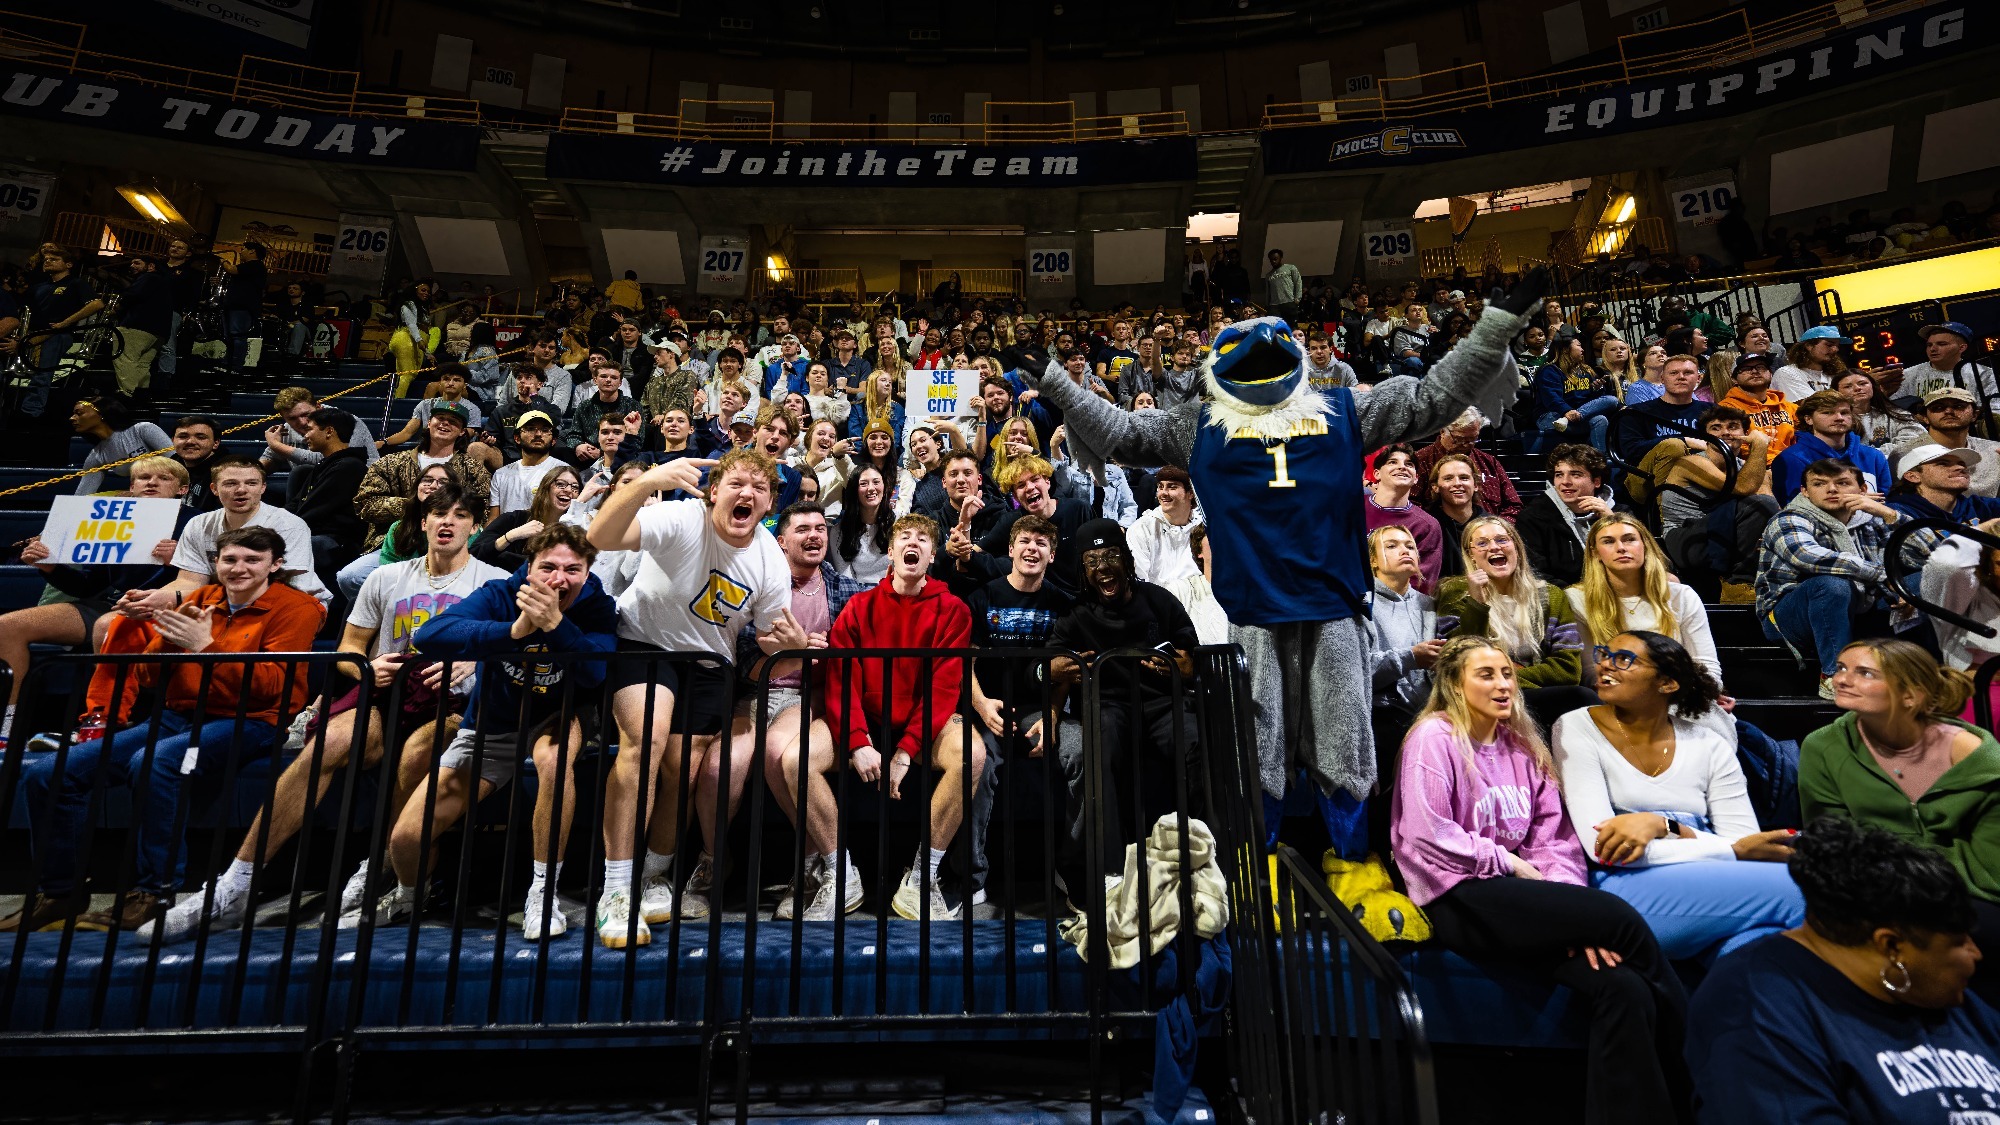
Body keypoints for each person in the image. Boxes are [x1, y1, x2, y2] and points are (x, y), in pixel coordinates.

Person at [1031, 274, 1549, 867]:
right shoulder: (1198, 422)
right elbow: (1119, 433)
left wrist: (1494, 328)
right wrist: (1055, 382)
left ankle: (1354, 869)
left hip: (1333, 609)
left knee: (1344, 751)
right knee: (1258, 753)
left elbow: (1433, 398)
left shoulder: (1345, 407)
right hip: (1254, 615)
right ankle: (1261, 870)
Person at [145, 491, 503, 941]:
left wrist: (477, 661)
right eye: (438, 513)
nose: (448, 521)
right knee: (327, 744)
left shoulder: (494, 581)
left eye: (460, 515)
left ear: (474, 526)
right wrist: (366, 668)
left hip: (456, 702)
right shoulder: (386, 576)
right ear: (424, 522)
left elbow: (512, 647)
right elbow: (349, 646)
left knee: (417, 752)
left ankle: (381, 865)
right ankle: (233, 884)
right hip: (388, 692)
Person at [1390, 636, 1690, 1125]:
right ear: (1454, 684)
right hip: (1456, 895)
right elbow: (1426, 834)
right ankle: (1699, 1081)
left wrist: (1565, 912)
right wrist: (1506, 864)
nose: (1503, 684)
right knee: (1618, 920)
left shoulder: (1521, 741)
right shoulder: (1435, 737)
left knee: (1623, 989)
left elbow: (1556, 837)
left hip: (1524, 897)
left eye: (1507, 673)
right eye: (1486, 675)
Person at [3, 528, 324, 933]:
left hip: (252, 721)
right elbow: (148, 677)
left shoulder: (298, 608)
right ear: (215, 563)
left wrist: (206, 646)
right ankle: (60, 893)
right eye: (230, 559)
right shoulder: (199, 599)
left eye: (252, 560)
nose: (239, 568)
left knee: (156, 762)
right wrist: (171, 644)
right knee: (47, 773)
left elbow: (270, 688)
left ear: (274, 565)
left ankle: (154, 892)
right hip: (177, 716)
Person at [366, 523, 617, 938]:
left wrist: (556, 626)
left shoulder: (597, 606)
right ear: (529, 568)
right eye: (548, 567)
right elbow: (431, 635)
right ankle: (415, 892)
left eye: (573, 570)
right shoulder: (501, 593)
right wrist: (513, 632)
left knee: (554, 762)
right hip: (493, 724)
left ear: (588, 573)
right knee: (407, 839)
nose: (558, 579)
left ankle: (543, 893)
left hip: (558, 717)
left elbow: (593, 673)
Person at [585, 450, 792, 945]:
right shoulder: (681, 517)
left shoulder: (770, 560)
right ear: (714, 491)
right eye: (737, 482)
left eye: (759, 488)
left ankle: (654, 874)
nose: (747, 493)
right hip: (644, 643)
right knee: (645, 743)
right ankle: (616, 891)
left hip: (709, 664)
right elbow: (600, 537)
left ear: (768, 504)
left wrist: (795, 645)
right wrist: (648, 480)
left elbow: (769, 639)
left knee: (682, 771)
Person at [1687, 816, 2000, 1125]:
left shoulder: (1944, 996)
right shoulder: (1753, 1009)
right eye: (1959, 942)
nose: (1975, 953)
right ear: (1891, 946)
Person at [1552, 631, 1804, 961]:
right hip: (1625, 884)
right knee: (1805, 888)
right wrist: (1723, 847)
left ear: (1667, 683)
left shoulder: (1708, 742)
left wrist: (1665, 826)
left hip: (1712, 879)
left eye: (1623, 660)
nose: (1603, 666)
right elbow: (1605, 850)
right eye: (1602, 654)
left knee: (1761, 951)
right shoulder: (1575, 726)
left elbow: (1743, 841)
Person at [1800, 639, 2000, 992]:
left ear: (1912, 695)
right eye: (1842, 668)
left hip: (1973, 896)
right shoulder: (1823, 746)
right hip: (1869, 891)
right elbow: (1831, 843)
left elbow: (1991, 869)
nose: (1842, 679)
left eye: (1864, 673)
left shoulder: (1976, 756)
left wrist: (1891, 857)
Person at [820, 514, 980, 920]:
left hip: (921, 726)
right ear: (890, 552)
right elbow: (841, 680)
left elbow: (944, 687)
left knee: (972, 756)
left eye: (924, 539)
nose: (914, 543)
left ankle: (921, 878)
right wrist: (857, 741)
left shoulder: (954, 611)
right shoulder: (858, 607)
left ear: (931, 554)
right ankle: (839, 875)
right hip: (866, 720)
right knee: (790, 758)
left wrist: (906, 751)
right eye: (904, 537)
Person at [733, 503, 870, 922]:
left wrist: (821, 657)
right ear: (781, 541)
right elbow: (746, 664)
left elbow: (857, 660)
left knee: (779, 753)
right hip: (759, 694)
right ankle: (814, 867)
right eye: (802, 530)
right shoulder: (760, 590)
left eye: (819, 529)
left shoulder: (848, 591)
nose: (814, 536)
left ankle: (817, 869)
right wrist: (797, 654)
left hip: (815, 696)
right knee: (742, 761)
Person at [1048, 519, 1198, 898]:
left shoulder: (1160, 600)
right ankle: (1111, 871)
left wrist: (1181, 666)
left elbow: (1192, 659)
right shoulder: (1075, 612)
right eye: (1093, 560)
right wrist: (1056, 667)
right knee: (1100, 743)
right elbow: (1049, 662)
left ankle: (1199, 856)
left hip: (1163, 703)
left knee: (1194, 739)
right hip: (1108, 705)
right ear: (1083, 570)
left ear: (1127, 560)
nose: (1103, 567)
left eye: (1111, 555)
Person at [2, 457, 189, 754]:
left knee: (111, 625)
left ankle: (107, 723)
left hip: (162, 608)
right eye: (144, 478)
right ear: (131, 487)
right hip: (107, 603)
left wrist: (180, 560)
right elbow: (88, 585)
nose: (151, 483)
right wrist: (50, 567)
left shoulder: (196, 520)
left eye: (163, 478)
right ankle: (6, 728)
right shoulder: (115, 520)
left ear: (182, 489)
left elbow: (205, 580)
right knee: (6, 626)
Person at [961, 513, 1069, 905]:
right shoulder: (983, 596)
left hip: (1035, 708)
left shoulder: (1062, 604)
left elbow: (1066, 671)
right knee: (978, 763)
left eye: (1042, 544)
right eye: (1025, 541)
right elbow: (965, 662)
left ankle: (1071, 871)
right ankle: (972, 877)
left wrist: (1052, 715)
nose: (1032, 549)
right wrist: (979, 704)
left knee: (1076, 750)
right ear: (1010, 549)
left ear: (1052, 556)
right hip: (983, 705)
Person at [1756, 460, 1910, 697]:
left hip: (1862, 607)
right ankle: (1834, 675)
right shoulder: (1789, 518)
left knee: (1926, 580)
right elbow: (1808, 557)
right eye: (1819, 484)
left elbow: (1934, 553)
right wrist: (1885, 577)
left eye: (1842, 483)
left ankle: (1928, 669)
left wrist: (1890, 515)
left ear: (1863, 490)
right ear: (1805, 492)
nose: (1832, 490)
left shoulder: (1874, 520)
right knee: (1831, 584)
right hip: (1791, 617)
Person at [1435, 514, 1590, 728]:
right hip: (1481, 697)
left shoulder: (1552, 596)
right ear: (1471, 556)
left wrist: (1510, 677)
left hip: (1536, 694)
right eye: (1482, 543)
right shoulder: (1456, 592)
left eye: (1502, 540)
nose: (1494, 547)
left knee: (1582, 698)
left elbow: (1568, 669)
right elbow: (1458, 662)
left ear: (1516, 547)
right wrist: (1477, 604)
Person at [1567, 513, 1722, 691]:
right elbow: (1591, 674)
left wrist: (1703, 694)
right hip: (1616, 701)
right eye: (1608, 541)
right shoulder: (1577, 599)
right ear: (1595, 553)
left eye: (1629, 539)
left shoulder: (1682, 596)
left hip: (1678, 695)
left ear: (1645, 546)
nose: (1621, 548)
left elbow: (1707, 667)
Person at [285, 408, 371, 600]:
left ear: (329, 431)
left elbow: (314, 512)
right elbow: (296, 504)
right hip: (315, 533)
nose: (305, 435)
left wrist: (283, 530)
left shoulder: (349, 466)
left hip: (336, 540)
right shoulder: (325, 465)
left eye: (310, 429)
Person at [340, 463, 455, 601]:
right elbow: (388, 568)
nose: (433, 485)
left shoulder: (462, 525)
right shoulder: (399, 527)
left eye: (442, 482)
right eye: (427, 480)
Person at [21, 244, 103, 419]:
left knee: (43, 373)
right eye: (46, 259)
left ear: (68, 264)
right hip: (33, 335)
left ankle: (31, 412)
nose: (48, 261)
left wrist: (65, 323)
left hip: (58, 335)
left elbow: (97, 304)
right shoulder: (39, 286)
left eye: (54, 259)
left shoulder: (76, 283)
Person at [1516, 443, 1615, 588]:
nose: (1565, 482)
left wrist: (1612, 522)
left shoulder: (1618, 512)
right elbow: (1535, 573)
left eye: (1575, 475)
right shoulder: (1532, 518)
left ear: (1596, 481)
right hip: (1567, 600)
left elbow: (1642, 559)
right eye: (1559, 475)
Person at [1771, 390, 1893, 502]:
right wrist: (1852, 501)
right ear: (1808, 419)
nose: (1839, 418)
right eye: (1828, 412)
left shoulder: (1874, 456)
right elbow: (1793, 506)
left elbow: (1887, 500)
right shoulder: (1791, 459)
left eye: (1844, 412)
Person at [1411, 407, 1522, 520]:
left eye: (1472, 439)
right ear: (1442, 431)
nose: (1465, 445)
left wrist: (1498, 527)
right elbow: (1410, 505)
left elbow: (1513, 505)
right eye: (1459, 439)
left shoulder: (1489, 462)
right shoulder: (1420, 460)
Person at [1365, 444, 1445, 593]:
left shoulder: (1427, 526)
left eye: (1409, 464)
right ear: (1376, 474)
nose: (1402, 467)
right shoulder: (1351, 509)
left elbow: (1421, 582)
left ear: (1415, 478)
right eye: (1392, 462)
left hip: (1396, 606)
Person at [1894, 387, 2000, 497]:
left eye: (1959, 406)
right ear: (1925, 417)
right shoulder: (1904, 453)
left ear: (1974, 415)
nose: (1948, 411)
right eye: (1938, 408)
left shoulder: (1995, 450)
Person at [1533, 335, 1621, 452]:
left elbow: (1589, 402)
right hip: (1551, 416)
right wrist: (1566, 411)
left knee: (1603, 415)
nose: (1582, 349)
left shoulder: (1585, 371)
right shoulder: (1550, 370)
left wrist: (1596, 390)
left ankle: (1602, 461)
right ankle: (1567, 418)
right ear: (1565, 349)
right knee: (1611, 401)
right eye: (1578, 346)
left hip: (1573, 417)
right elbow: (1551, 398)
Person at [70, 395, 170, 496]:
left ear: (101, 413)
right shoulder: (97, 456)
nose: (72, 418)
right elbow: (82, 495)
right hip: (146, 496)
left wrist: (137, 493)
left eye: (79, 413)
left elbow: (178, 464)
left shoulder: (143, 430)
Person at [261, 387, 379, 472]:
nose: (302, 422)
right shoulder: (287, 430)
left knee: (302, 471)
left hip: (358, 485)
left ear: (318, 407)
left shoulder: (345, 422)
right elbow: (270, 459)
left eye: (306, 414)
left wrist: (275, 444)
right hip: (315, 486)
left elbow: (330, 459)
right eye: (292, 418)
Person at [1887, 444, 2000, 528]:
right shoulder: (1896, 513)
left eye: (1961, 464)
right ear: (1913, 476)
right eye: (1943, 464)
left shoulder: (1977, 506)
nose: (1960, 468)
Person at [1125, 465, 1202, 586]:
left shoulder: (1203, 529)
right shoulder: (1141, 529)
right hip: (1158, 601)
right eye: (1160, 487)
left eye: (1172, 487)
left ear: (1190, 493)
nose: (1163, 493)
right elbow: (1139, 583)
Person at [1899, 321, 1997, 413]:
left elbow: (1995, 410)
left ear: (1962, 348)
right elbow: (1893, 410)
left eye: (1941, 344)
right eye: (1929, 345)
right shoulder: (1908, 375)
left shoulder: (1983, 374)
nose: (1932, 349)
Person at [1715, 352, 1795, 456]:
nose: (1754, 371)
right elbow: (1736, 445)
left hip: (1793, 462)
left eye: (1761, 367)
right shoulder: (1726, 408)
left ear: (1770, 373)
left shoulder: (1789, 407)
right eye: (1746, 369)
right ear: (1734, 379)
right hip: (1753, 464)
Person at [487, 410, 564, 516]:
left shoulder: (563, 471)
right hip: (507, 532)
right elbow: (493, 519)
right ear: (517, 438)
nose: (538, 434)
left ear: (554, 440)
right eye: (531, 429)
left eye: (545, 430)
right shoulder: (501, 474)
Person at [1422, 454, 1486, 580]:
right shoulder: (1425, 526)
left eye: (1464, 478)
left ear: (1476, 485)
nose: (1457, 483)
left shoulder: (1491, 525)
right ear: (1435, 487)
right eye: (1448, 478)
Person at [833, 465, 895, 585]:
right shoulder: (839, 531)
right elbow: (846, 579)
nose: (871, 488)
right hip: (859, 596)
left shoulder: (899, 523)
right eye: (863, 484)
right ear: (854, 490)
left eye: (876, 482)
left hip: (893, 593)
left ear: (884, 486)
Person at [1770, 325, 1848, 403]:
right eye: (1829, 345)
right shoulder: (1787, 373)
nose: (1835, 349)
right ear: (1809, 346)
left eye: (1837, 346)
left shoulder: (1835, 374)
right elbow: (1811, 406)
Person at [1263, 248, 1303, 325]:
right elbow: (1268, 292)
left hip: (1289, 302)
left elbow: (1298, 282)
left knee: (1291, 326)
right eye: (1271, 260)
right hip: (1274, 306)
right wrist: (1267, 305)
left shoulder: (1290, 268)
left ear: (1281, 258)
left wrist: (1297, 299)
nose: (1273, 261)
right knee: (1277, 328)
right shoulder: (1268, 275)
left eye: (1275, 259)